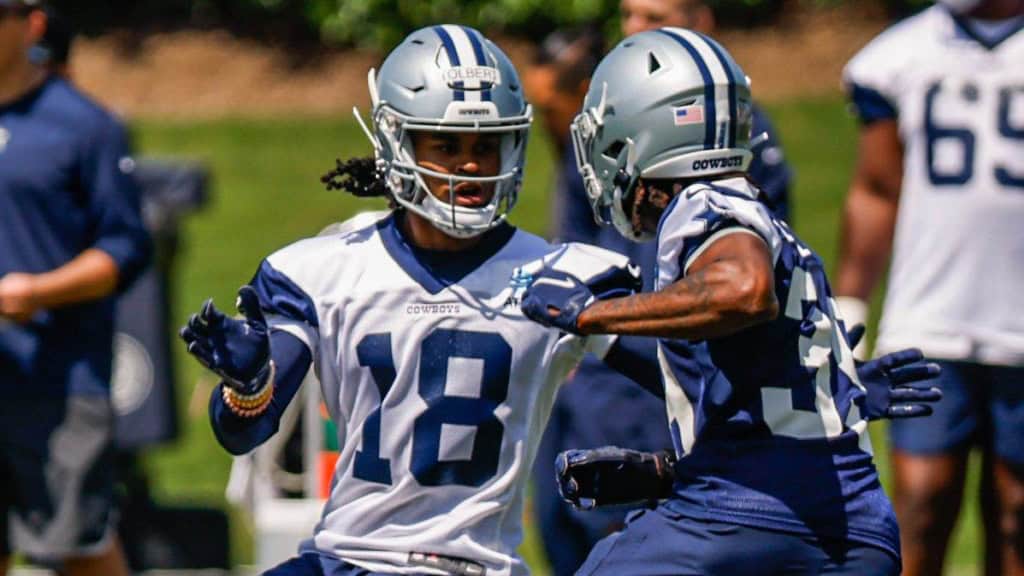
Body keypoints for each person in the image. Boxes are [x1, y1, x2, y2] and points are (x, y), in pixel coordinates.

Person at [179, 25, 644, 576]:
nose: (470, 164)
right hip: (347, 559)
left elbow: (688, 380)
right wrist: (249, 386)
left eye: (484, 144)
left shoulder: (559, 276)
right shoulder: (326, 270)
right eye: (446, 144)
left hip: (475, 564)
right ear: (398, 142)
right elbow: (240, 432)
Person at [519, 28, 941, 574]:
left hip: (736, 516)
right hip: (854, 529)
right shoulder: (769, 221)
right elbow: (734, 376)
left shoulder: (702, 203)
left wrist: (590, 312)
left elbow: (744, 289)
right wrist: (666, 471)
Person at [530, 1, 794, 572]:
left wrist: (595, 317)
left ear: (703, 19)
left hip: (683, 374)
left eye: (655, 17)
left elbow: (750, 289)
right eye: (629, 15)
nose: (634, 33)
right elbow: (577, 240)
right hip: (611, 372)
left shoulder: (724, 167)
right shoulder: (611, 118)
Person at [835, 1, 1024, 574]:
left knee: (1017, 516)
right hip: (931, 315)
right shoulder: (898, 56)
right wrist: (850, 303)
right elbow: (876, 190)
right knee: (918, 507)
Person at [0, 1, 151, 574]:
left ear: (31, 23)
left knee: (76, 548)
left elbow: (126, 248)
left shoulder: (87, 126)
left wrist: (37, 291)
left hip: (58, 381)